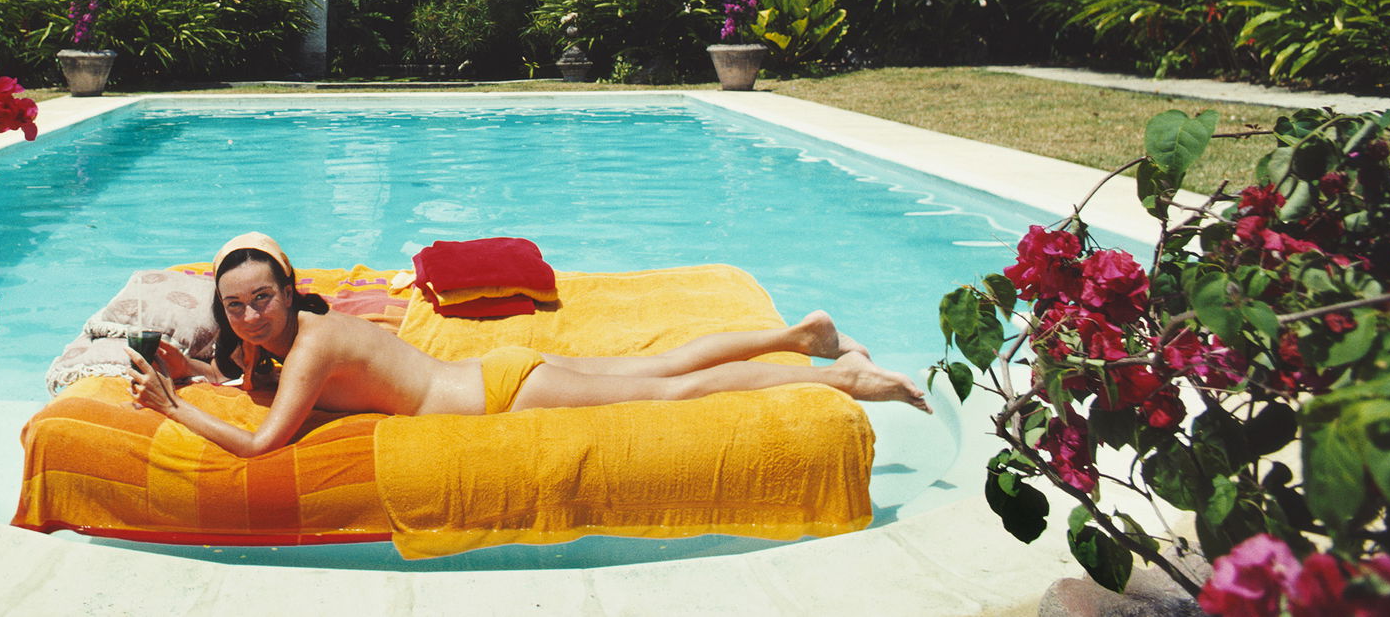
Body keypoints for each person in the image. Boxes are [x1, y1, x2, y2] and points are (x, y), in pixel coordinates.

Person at [127, 233, 930, 459]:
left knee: (669, 390)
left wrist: (171, 407)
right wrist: (194, 370)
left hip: (501, 394)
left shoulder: (306, 348)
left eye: (260, 299)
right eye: (232, 307)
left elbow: (263, 442)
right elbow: (249, 382)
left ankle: (845, 382)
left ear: (286, 285)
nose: (248, 319)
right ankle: (805, 334)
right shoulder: (286, 338)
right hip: (496, 371)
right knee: (658, 362)